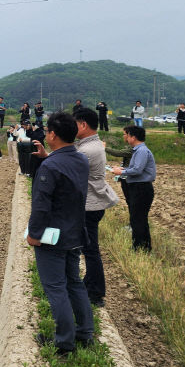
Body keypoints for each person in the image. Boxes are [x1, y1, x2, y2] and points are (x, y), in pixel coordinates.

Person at [27, 111, 94, 356]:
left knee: (56, 288)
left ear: (53, 134)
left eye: (47, 131)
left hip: (53, 237)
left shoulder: (52, 166)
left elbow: (42, 206)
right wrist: (48, 158)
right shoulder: (80, 159)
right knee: (74, 283)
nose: (45, 134)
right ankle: (85, 333)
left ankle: (65, 343)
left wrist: (34, 234)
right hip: (75, 232)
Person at [73, 108, 119, 307]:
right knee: (90, 248)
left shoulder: (87, 150)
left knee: (90, 250)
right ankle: (91, 285)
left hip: (90, 205)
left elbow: (69, 166)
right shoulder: (93, 145)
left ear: (83, 125)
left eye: (75, 124)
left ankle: (95, 292)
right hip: (94, 203)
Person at [111, 125, 156, 252]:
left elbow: (137, 170)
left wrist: (121, 172)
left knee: (138, 219)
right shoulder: (138, 150)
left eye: (127, 135)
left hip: (141, 188)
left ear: (133, 137)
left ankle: (139, 247)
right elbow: (135, 168)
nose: (126, 137)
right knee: (138, 218)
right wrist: (123, 169)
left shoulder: (141, 151)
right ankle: (144, 247)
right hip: (139, 187)